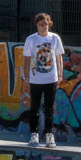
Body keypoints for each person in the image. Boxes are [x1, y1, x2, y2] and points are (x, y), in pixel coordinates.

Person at [21, 13, 65, 148]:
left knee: (49, 108)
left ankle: (49, 135)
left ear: (49, 24)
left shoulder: (55, 38)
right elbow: (27, 58)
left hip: (51, 78)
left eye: (45, 23)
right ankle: (34, 134)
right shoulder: (31, 39)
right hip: (35, 79)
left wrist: (60, 75)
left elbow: (59, 57)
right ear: (36, 25)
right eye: (40, 23)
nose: (43, 25)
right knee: (34, 107)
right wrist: (25, 77)